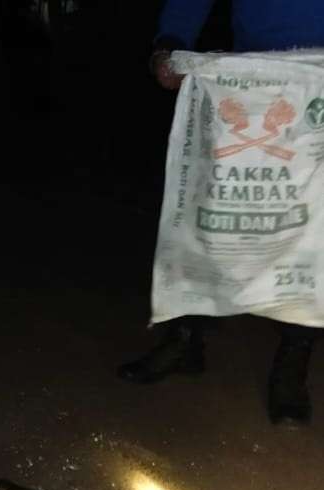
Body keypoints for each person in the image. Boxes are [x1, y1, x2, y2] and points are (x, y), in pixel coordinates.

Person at [117, 0, 324, 426]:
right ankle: (185, 337)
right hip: (246, 81)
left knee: (310, 228)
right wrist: (170, 43)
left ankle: (293, 361)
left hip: (318, 86)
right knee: (209, 208)